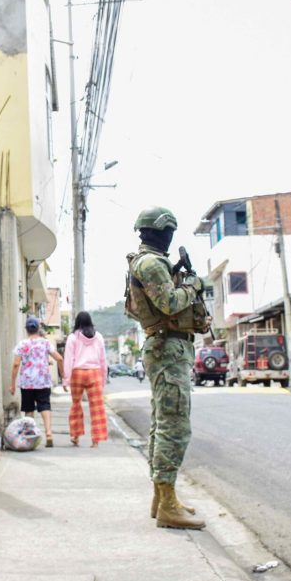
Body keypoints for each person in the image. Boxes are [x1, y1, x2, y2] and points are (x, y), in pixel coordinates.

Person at [124, 206, 211, 530]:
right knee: (174, 426)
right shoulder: (151, 263)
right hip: (167, 347)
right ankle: (167, 504)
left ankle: (162, 498)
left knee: (163, 422)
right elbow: (170, 304)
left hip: (167, 347)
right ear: (165, 232)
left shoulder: (147, 262)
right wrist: (194, 286)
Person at [9, 315, 63, 447]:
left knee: (29, 409)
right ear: (38, 328)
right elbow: (59, 358)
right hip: (43, 381)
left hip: (27, 383)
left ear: (26, 330)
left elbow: (16, 364)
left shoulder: (22, 344)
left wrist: (12, 384)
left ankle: (29, 437)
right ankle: (49, 433)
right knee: (45, 406)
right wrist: (64, 375)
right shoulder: (45, 343)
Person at [62, 311, 109, 447]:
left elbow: (68, 359)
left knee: (76, 404)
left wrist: (66, 379)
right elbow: (103, 360)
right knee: (97, 408)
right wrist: (103, 378)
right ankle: (95, 441)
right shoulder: (99, 337)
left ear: (77, 322)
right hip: (95, 373)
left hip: (77, 373)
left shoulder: (72, 337)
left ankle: (75, 436)